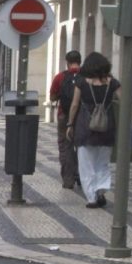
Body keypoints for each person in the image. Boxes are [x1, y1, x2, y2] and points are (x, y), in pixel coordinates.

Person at [68, 52, 120, 209]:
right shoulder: (112, 83)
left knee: (86, 164)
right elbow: (125, 101)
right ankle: (101, 191)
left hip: (85, 127)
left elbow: (75, 105)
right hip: (107, 127)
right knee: (102, 163)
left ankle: (91, 198)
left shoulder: (81, 82)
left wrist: (70, 124)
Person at [49, 50, 83, 191]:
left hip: (64, 115)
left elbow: (52, 97)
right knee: (82, 147)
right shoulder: (86, 76)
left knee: (65, 147)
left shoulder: (60, 77)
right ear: (80, 61)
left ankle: (68, 180)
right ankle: (82, 176)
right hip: (82, 116)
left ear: (67, 62)